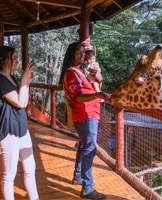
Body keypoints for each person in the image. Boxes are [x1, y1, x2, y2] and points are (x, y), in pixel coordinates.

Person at [59, 42, 110, 199]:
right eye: (78, 53)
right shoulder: (71, 73)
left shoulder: (80, 71)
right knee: (90, 149)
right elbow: (79, 96)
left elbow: (92, 87)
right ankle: (87, 187)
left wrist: (98, 79)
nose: (82, 56)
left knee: (83, 146)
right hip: (85, 115)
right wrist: (98, 95)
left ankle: (78, 177)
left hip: (89, 114)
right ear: (71, 55)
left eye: (83, 53)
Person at [0, 46, 39, 200]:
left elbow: (23, 100)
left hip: (22, 128)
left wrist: (27, 83)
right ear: (4, 59)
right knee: (9, 173)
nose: (17, 61)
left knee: (30, 168)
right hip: (9, 130)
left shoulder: (11, 77)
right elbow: (20, 102)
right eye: (15, 58)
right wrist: (24, 80)